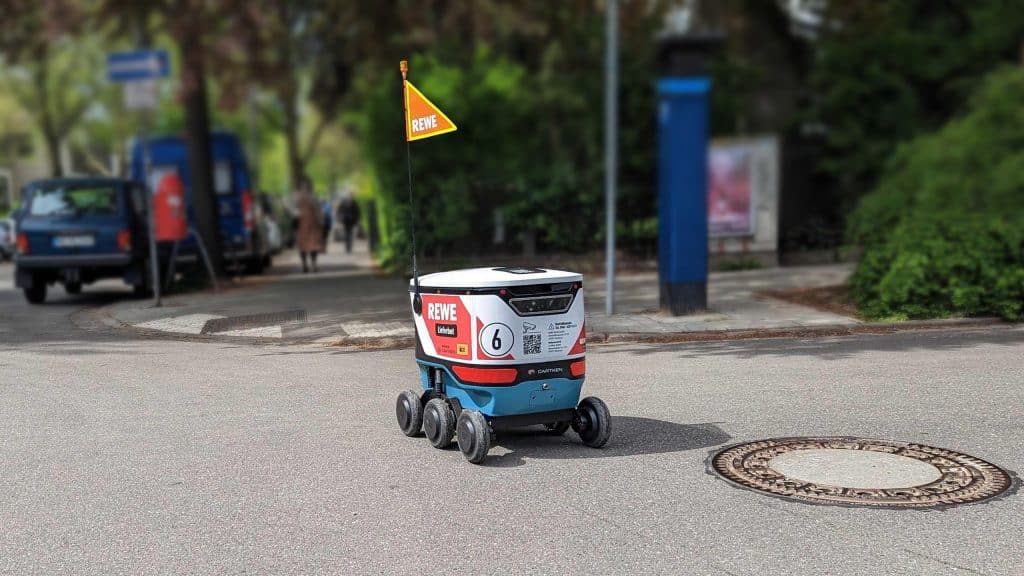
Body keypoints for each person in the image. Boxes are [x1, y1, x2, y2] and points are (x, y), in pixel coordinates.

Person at [294, 177, 324, 273]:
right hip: (301, 224)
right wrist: (295, 213)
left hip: (313, 223)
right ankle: (304, 264)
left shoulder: (313, 196)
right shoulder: (296, 196)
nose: (305, 188)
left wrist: (321, 220)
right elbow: (287, 205)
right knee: (302, 245)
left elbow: (318, 209)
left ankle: (314, 264)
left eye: (306, 186)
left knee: (314, 245)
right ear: (300, 187)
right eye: (303, 186)